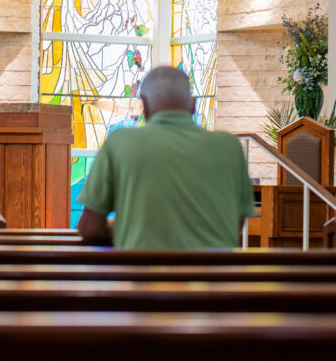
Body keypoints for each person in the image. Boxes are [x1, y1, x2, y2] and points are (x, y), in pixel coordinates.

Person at [77, 64, 255, 249]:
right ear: (193, 105)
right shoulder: (229, 147)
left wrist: (126, 231)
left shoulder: (119, 142)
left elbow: (90, 229)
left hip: (142, 274)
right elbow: (236, 224)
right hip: (212, 275)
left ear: (143, 106)